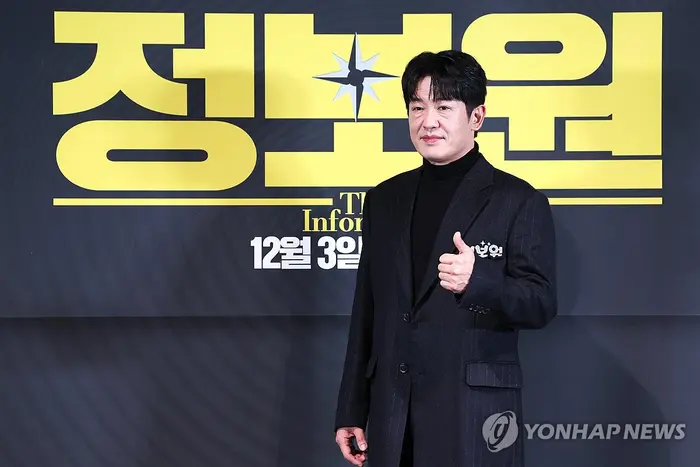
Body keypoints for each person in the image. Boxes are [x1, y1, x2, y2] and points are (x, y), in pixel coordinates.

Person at [333, 49, 558, 467]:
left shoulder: (518, 200)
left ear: (477, 117)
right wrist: (351, 409)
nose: (428, 121)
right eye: (417, 107)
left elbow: (541, 303)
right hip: (391, 417)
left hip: (472, 415)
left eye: (443, 107)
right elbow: (367, 311)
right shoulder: (384, 199)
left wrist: (479, 281)